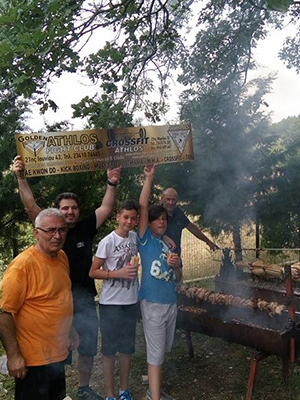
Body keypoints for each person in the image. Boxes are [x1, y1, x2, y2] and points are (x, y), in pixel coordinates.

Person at [13, 155, 121, 400]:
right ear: (56, 212)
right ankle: (55, 393)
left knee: (88, 347)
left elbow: (105, 208)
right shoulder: (51, 229)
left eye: (73, 208)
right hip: (55, 302)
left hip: (84, 299)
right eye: (65, 208)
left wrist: (111, 182)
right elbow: (31, 207)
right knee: (55, 354)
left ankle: (83, 388)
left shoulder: (85, 227)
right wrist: (21, 178)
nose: (70, 212)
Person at [0, 208, 79, 400]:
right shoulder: (21, 267)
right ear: (36, 232)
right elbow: (2, 314)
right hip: (33, 361)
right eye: (50, 230)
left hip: (57, 355)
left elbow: (59, 298)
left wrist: (70, 329)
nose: (57, 236)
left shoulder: (61, 257)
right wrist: (13, 356)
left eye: (62, 229)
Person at [138, 166, 182, 400]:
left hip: (170, 302)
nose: (161, 222)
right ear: (149, 223)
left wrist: (176, 266)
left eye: (164, 219)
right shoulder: (145, 240)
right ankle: (154, 397)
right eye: (157, 219)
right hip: (153, 303)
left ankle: (153, 389)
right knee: (155, 354)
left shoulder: (169, 245)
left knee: (161, 351)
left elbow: (179, 278)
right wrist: (149, 178)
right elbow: (143, 206)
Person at [88, 200, 140, 400]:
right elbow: (93, 272)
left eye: (133, 218)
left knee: (127, 349)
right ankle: (110, 394)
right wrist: (117, 273)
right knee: (109, 351)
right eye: (125, 217)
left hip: (130, 302)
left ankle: (123, 390)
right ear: (117, 217)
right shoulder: (108, 241)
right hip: (110, 304)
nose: (129, 222)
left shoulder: (134, 238)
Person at [161, 187, 218, 255]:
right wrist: (163, 236)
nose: (170, 202)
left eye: (173, 200)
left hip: (175, 256)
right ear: (162, 199)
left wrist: (208, 241)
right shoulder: (156, 213)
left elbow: (192, 228)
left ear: (177, 201)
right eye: (168, 199)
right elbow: (150, 231)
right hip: (159, 256)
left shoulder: (178, 213)